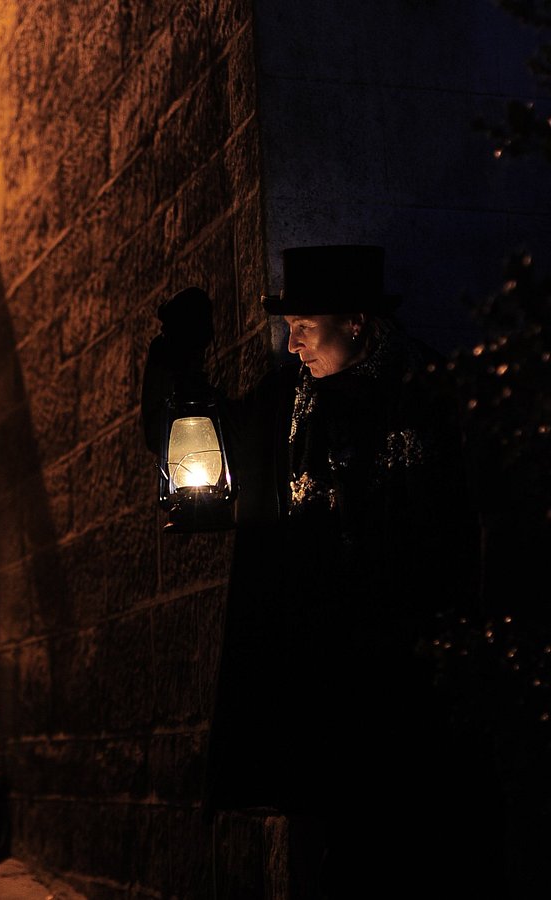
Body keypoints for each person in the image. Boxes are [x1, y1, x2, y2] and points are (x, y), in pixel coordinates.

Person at [142, 246, 503, 898]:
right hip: (316, 668)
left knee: (408, 840)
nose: (292, 341)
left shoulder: (426, 394)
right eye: (287, 326)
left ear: (357, 322)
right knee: (325, 841)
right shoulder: (288, 403)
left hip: (405, 664)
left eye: (305, 325)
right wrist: (175, 364)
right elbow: (202, 437)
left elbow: (465, 518)